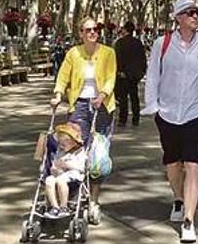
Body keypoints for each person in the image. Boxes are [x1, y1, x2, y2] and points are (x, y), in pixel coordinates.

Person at [141, 0, 198, 244]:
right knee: (172, 164)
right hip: (167, 114)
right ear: (178, 17)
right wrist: (153, 107)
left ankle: (188, 219)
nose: (195, 16)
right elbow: (153, 75)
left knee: (193, 165)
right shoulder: (162, 43)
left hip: (196, 114)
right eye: (190, 12)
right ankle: (178, 198)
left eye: (197, 12)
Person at [49, 17, 116, 225]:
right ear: (80, 32)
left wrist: (102, 96)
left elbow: (111, 78)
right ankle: (70, 195)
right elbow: (62, 77)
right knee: (73, 150)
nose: (92, 32)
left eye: (95, 29)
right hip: (78, 105)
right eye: (88, 30)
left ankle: (94, 200)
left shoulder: (108, 52)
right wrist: (58, 94)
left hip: (102, 106)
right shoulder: (73, 53)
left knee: (97, 156)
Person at [44, 122, 88, 219]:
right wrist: (54, 169)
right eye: (59, 143)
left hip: (74, 177)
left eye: (63, 144)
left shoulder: (79, 152)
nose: (61, 146)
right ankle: (54, 207)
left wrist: (67, 165)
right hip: (59, 175)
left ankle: (63, 207)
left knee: (61, 180)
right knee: (49, 180)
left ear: (73, 143)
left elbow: (81, 168)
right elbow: (55, 165)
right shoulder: (60, 152)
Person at [114, 21, 147, 127]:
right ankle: (135, 118)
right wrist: (140, 73)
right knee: (134, 97)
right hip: (134, 76)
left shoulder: (119, 43)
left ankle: (122, 120)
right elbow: (142, 59)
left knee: (123, 98)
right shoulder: (138, 43)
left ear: (125, 30)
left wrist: (119, 72)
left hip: (123, 75)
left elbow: (117, 59)